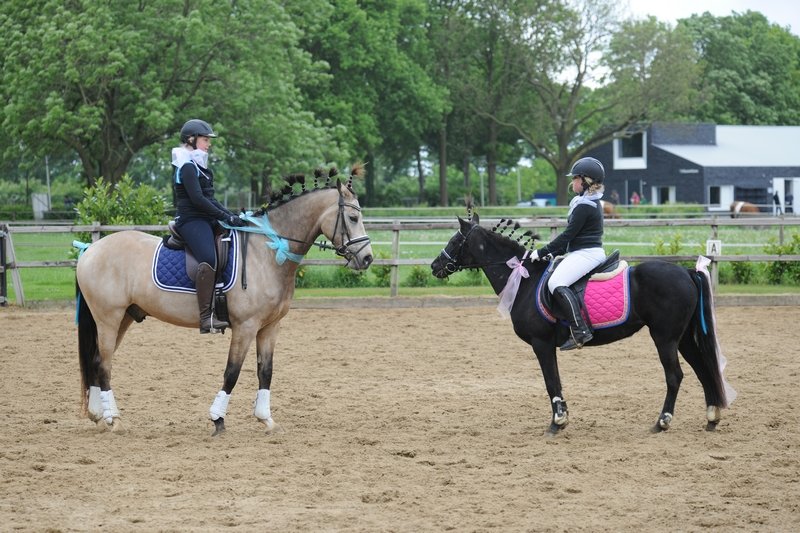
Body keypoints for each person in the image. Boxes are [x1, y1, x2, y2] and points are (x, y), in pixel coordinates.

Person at [172, 119, 246, 334]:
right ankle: (206, 317)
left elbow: (210, 199)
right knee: (209, 257)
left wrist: (231, 216)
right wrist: (223, 216)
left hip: (205, 218)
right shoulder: (185, 166)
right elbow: (197, 200)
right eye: (205, 139)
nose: (208, 143)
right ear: (191, 139)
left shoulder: (199, 166)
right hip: (191, 220)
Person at [533, 156, 606, 350]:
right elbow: (572, 238)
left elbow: (567, 235)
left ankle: (581, 331)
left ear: (585, 181)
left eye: (575, 178)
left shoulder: (585, 205)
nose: (572, 182)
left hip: (587, 254)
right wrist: (553, 253)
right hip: (581, 252)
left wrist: (541, 252)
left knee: (556, 282)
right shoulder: (584, 201)